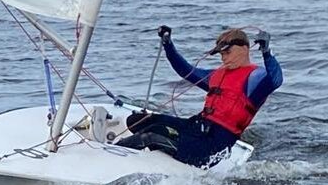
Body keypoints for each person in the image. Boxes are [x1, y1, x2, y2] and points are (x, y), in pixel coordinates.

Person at [116, 26, 283, 168]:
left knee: (149, 137)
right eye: (221, 55)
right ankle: (163, 149)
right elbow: (185, 71)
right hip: (194, 128)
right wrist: (168, 44)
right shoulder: (217, 75)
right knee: (138, 120)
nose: (224, 58)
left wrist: (267, 52)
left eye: (228, 53)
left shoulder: (255, 78)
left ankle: (112, 155)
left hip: (212, 146)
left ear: (245, 49)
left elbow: (276, 79)